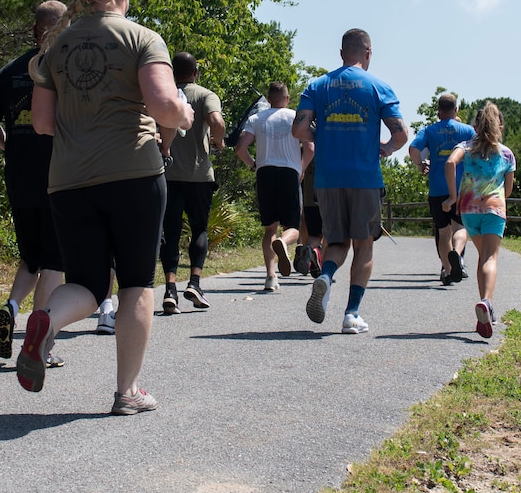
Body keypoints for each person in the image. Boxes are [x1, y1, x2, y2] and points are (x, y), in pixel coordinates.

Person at [14, 0, 192, 414]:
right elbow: (163, 106)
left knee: (89, 285)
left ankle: (46, 320)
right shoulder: (143, 38)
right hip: (133, 173)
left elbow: (42, 122)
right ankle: (126, 392)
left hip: (69, 181)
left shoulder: (56, 44)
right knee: (135, 283)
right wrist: (185, 114)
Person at [294, 28, 408, 334]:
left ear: (342, 53)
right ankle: (351, 314)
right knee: (364, 245)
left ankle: (326, 276)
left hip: (328, 178)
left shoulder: (318, 85)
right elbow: (401, 135)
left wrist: (321, 136)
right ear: (368, 53)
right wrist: (387, 148)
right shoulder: (378, 87)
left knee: (337, 242)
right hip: (365, 178)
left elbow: (299, 129)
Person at [0, 1, 71, 360]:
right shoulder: (64, 69)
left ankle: (12, 307)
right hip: (58, 176)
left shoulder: (10, 70)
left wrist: (9, 146)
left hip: (19, 176)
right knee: (55, 262)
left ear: (34, 30)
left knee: (32, 257)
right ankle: (40, 343)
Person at [158, 52, 224, 314]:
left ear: (173, 73)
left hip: (169, 174)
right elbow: (216, 121)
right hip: (198, 175)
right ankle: (195, 283)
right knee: (199, 229)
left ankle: (170, 289)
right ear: (196, 72)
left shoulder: (164, 95)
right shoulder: (206, 95)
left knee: (170, 233)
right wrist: (218, 141)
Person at [444, 102, 517, 339]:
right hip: (494, 210)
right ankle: (486, 302)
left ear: (475, 126)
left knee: (480, 257)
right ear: (500, 127)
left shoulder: (466, 147)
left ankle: (485, 308)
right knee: (490, 258)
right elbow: (508, 190)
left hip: (468, 210)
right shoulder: (506, 154)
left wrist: (453, 196)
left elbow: (449, 163)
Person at [236, 80, 310, 292]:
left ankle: (270, 276)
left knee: (270, 228)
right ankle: (285, 244)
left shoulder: (256, 118)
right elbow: (310, 147)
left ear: (269, 100)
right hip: (289, 172)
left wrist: (253, 165)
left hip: (265, 172)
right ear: (287, 98)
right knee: (294, 227)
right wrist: (302, 168)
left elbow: (241, 147)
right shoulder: (296, 117)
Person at [408, 91, 476, 285]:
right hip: (462, 188)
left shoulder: (429, 131)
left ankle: (447, 270)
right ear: (456, 110)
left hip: (437, 188)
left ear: (438, 111)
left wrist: (421, 164)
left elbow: (413, 149)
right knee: (460, 227)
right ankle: (458, 256)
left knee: (443, 231)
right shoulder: (468, 131)